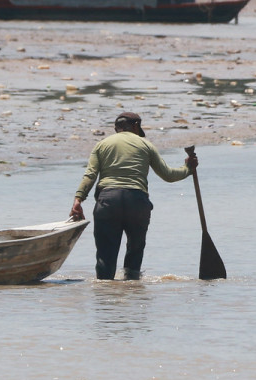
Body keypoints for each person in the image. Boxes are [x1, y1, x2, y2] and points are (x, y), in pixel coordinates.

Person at [69, 111, 197, 280]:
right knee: (135, 251)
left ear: (116, 128)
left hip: (108, 202)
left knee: (105, 255)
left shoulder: (102, 144)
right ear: (136, 126)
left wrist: (78, 200)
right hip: (137, 202)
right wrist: (188, 169)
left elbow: (90, 175)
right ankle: (133, 287)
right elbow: (168, 175)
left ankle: (104, 291)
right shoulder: (146, 145)